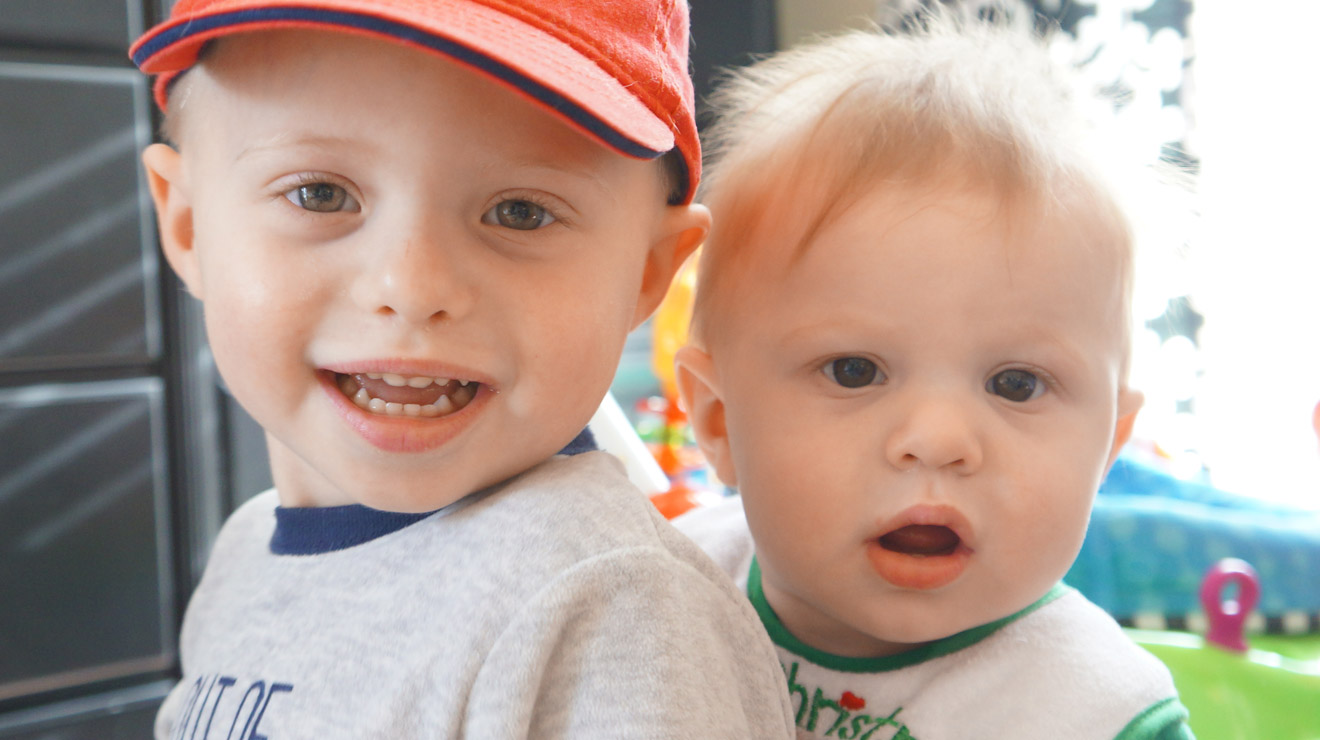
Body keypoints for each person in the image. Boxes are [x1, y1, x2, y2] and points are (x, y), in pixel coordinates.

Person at [130, 1, 796, 737]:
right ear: (188, 225)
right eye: (320, 194)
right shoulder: (246, 556)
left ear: (647, 274)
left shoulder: (608, 606)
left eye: (520, 212)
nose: (413, 287)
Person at [671, 10, 1195, 740]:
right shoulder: (666, 594)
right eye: (855, 371)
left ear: (1107, 443)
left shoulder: (1097, 712)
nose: (938, 440)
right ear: (720, 420)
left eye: (1016, 384)